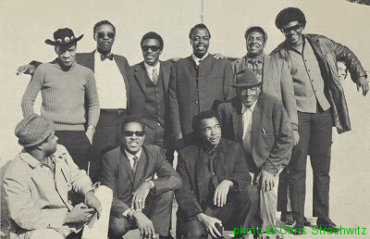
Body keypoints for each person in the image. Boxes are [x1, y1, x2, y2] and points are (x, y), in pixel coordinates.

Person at [271, 7, 369, 232]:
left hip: (323, 113)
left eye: (295, 28)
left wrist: (360, 75)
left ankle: (323, 217)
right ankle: (297, 218)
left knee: (322, 168)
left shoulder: (321, 43)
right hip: (299, 117)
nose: (292, 33)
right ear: (282, 32)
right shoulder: (278, 55)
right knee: (296, 169)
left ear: (302, 26)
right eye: (287, 31)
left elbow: (346, 53)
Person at [218, 69, 293, 239]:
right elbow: (225, 143)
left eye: (252, 88)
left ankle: (267, 232)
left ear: (259, 88)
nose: (247, 93)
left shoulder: (273, 105)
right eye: (243, 89)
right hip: (243, 163)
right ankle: (244, 232)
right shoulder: (228, 109)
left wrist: (270, 169)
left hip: (269, 160)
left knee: (266, 186)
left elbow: (286, 139)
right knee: (246, 190)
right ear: (237, 90)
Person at [3, 114, 102, 239]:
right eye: (52, 136)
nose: (57, 138)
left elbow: (76, 175)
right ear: (40, 144)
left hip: (72, 220)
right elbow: (24, 217)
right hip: (42, 228)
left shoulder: (59, 151)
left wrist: (88, 192)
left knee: (104, 194)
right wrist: (68, 217)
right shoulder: (15, 173)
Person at [21, 28, 100, 171]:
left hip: (79, 137)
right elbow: (27, 100)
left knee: (78, 180)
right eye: (62, 51)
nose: (67, 55)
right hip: (51, 135)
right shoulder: (43, 70)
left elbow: (94, 104)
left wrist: (90, 130)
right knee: (49, 178)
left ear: (76, 49)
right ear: (56, 50)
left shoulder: (86, 73)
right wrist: (36, 129)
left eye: (71, 50)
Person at [175, 110, 259, 239]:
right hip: (198, 213)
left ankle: (240, 236)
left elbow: (245, 177)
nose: (214, 133)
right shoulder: (186, 155)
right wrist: (202, 217)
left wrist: (229, 182)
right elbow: (183, 192)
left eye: (217, 127)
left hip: (226, 210)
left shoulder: (234, 148)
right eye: (208, 129)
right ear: (199, 132)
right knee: (195, 233)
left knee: (251, 191)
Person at [100, 116, 182, 239]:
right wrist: (134, 213)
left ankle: (155, 234)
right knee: (116, 226)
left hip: (146, 207)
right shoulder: (110, 158)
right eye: (129, 133)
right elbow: (109, 196)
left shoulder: (154, 152)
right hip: (124, 212)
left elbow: (176, 179)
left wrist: (149, 185)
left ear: (144, 137)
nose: (134, 137)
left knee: (167, 192)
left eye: (138, 133)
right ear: (122, 136)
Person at [168, 23, 234, 148]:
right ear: (190, 41)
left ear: (209, 40)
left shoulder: (222, 64)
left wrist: (226, 131)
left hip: (215, 131)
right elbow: (173, 101)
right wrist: (178, 133)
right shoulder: (178, 66)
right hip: (188, 131)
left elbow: (229, 98)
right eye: (196, 38)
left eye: (205, 38)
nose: (200, 42)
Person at [232, 26, 298, 144]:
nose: (254, 42)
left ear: (264, 42)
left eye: (258, 39)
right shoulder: (235, 66)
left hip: (271, 122)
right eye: (250, 39)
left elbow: (289, 97)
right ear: (246, 41)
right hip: (244, 122)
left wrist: (293, 127)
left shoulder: (279, 64)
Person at [129, 32, 175, 164]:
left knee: (167, 167)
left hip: (167, 131)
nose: (149, 51)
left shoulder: (172, 68)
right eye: (145, 48)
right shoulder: (131, 72)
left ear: (160, 50)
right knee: (143, 167)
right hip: (144, 131)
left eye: (154, 48)